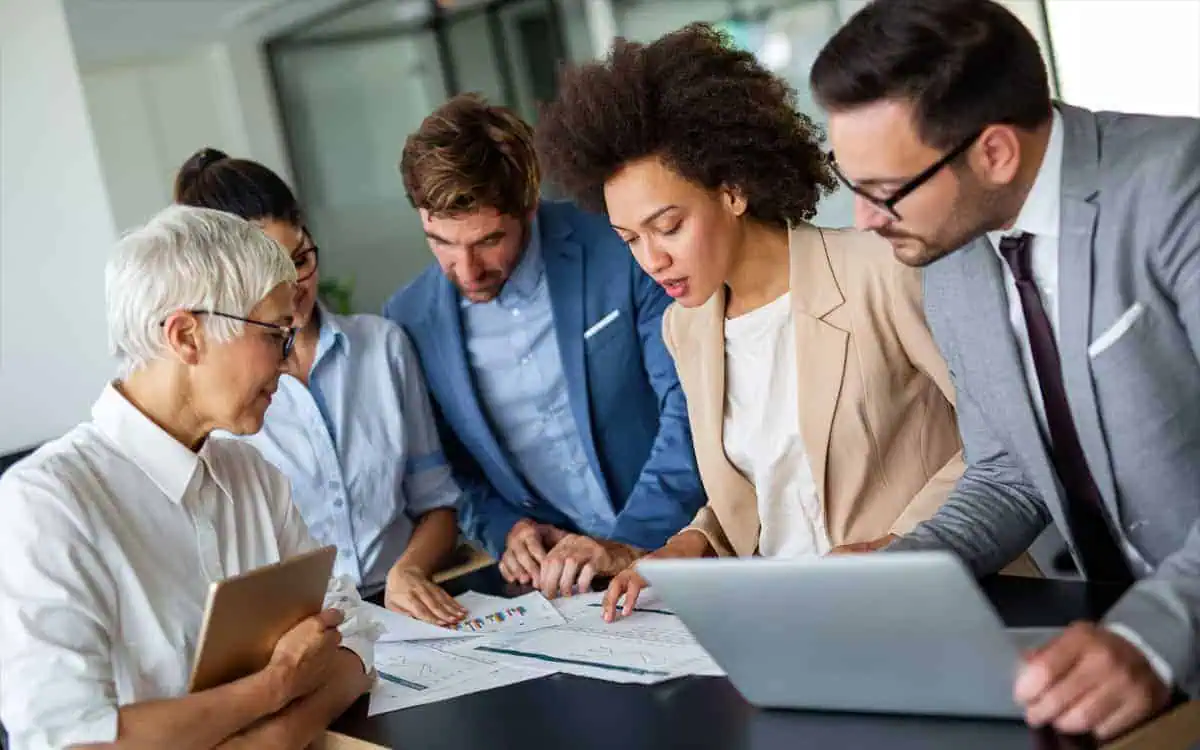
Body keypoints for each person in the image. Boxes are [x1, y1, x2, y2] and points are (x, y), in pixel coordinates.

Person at [810, 0, 1200, 739]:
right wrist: (907, 567)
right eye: (849, 181)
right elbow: (1007, 473)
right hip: (1104, 659)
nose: (863, 220)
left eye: (884, 190)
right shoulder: (947, 239)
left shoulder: (1180, 186)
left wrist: (1156, 632)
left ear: (994, 152)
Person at [534, 22, 965, 621]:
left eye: (668, 226)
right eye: (630, 239)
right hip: (793, 621)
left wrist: (900, 546)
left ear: (733, 191)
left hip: (928, 606)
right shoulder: (686, 330)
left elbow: (1000, 446)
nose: (652, 259)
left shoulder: (881, 271)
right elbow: (769, 483)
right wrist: (694, 541)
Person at [0, 205, 377, 749]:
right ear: (186, 336)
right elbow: (68, 740)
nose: (288, 362)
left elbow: (356, 642)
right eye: (275, 333)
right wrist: (273, 687)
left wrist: (271, 740)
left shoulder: (251, 476)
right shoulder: (47, 503)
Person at [383, 94, 707, 600]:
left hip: (691, 547)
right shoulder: (409, 319)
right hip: (562, 590)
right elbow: (454, 470)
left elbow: (688, 408)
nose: (465, 270)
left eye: (488, 240)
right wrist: (506, 528)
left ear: (528, 206)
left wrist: (624, 544)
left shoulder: (619, 244)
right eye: (441, 241)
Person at [175, 148, 467, 626]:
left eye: (301, 258)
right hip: (299, 632)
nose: (294, 287)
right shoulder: (220, 404)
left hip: (404, 614)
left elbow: (436, 501)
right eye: (273, 273)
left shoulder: (383, 347)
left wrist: (409, 569)